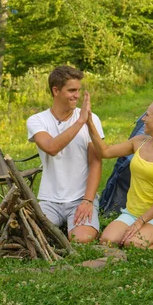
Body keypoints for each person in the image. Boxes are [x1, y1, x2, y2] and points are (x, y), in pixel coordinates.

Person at [86, 98, 153, 249]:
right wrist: (89, 122)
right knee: (107, 241)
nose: (143, 119)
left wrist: (140, 222)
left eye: (147, 115)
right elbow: (105, 151)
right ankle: (140, 236)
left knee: (132, 244)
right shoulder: (139, 142)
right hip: (131, 214)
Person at [26, 65, 104, 244]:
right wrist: (80, 122)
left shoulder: (93, 120)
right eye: (71, 90)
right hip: (49, 199)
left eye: (78, 90)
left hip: (80, 197)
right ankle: (62, 225)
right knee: (33, 237)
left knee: (81, 240)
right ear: (56, 90)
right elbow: (52, 148)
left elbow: (96, 163)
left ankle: (76, 225)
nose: (77, 95)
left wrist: (88, 201)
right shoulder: (37, 120)